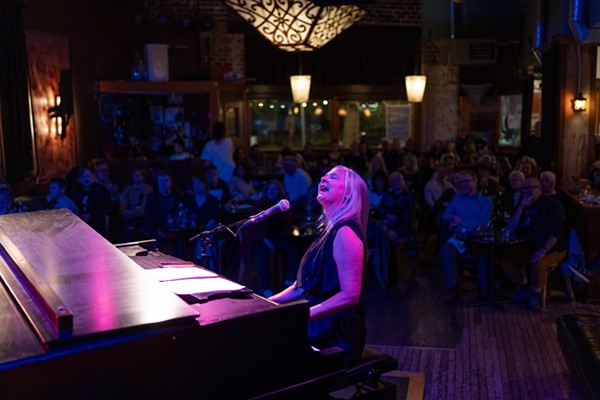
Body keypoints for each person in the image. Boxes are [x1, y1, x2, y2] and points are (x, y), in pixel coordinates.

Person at [269, 166, 369, 366]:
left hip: (336, 331)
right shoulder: (329, 231)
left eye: (333, 177)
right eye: (324, 176)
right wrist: (264, 304)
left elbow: (350, 295)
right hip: (317, 322)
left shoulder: (346, 232)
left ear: (348, 192)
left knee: (270, 351)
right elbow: (299, 288)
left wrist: (302, 316)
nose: (323, 178)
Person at [498, 177, 567, 310]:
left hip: (553, 248)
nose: (526, 191)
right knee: (506, 261)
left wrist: (543, 249)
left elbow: (557, 232)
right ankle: (525, 286)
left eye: (530, 188)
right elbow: (510, 228)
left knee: (537, 261)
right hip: (528, 246)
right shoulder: (523, 205)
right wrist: (521, 207)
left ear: (539, 189)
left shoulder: (552, 204)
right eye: (524, 188)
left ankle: (535, 292)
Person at [439, 169, 493, 303]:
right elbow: (445, 215)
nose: (463, 184)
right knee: (446, 251)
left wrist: (461, 221)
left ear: (475, 182)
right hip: (459, 237)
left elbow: (484, 221)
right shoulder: (457, 199)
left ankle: (483, 288)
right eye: (461, 182)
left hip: (477, 237)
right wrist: (453, 218)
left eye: (466, 181)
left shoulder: (485, 201)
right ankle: (452, 288)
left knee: (484, 254)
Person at [72, 167, 112, 238]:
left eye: (88, 176)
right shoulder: (76, 191)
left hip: (97, 223)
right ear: (79, 180)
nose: (86, 179)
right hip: (80, 224)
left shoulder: (101, 190)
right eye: (83, 177)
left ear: (93, 177)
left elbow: (107, 208)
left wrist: (91, 215)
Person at [119, 168, 153, 234]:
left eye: (139, 175)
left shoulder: (148, 189)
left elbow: (145, 206)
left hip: (143, 216)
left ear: (143, 176)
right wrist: (123, 211)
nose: (137, 178)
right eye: (135, 175)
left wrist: (134, 212)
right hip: (130, 216)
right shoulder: (128, 188)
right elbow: (123, 201)